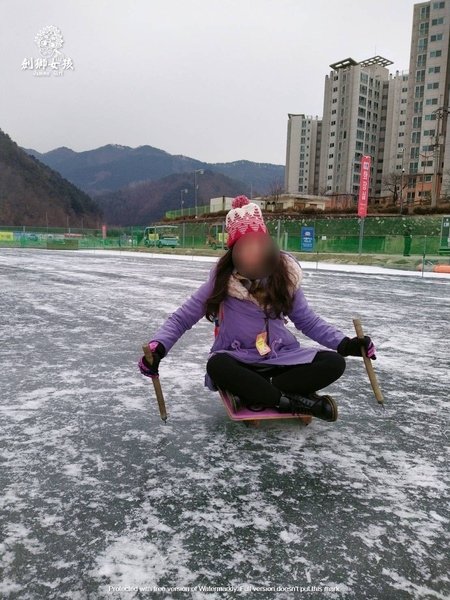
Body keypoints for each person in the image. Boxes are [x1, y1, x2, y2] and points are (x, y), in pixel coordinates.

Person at [138, 195, 377, 422]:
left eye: (258, 244)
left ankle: (261, 391)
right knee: (217, 365)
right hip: (240, 360)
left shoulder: (284, 279)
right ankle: (292, 401)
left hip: (281, 357)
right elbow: (182, 318)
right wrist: (158, 348)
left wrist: (346, 345)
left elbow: (309, 321)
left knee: (334, 363)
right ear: (234, 252)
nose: (253, 251)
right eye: (244, 246)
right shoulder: (220, 282)